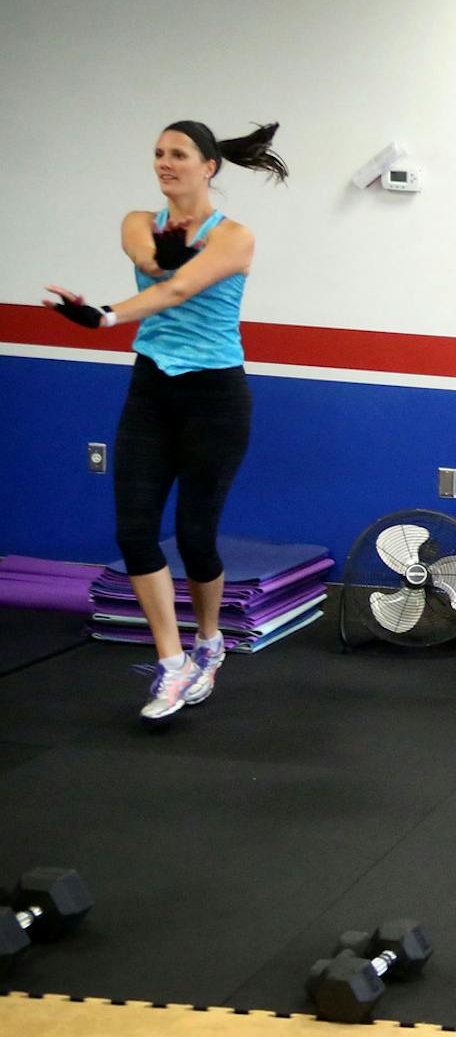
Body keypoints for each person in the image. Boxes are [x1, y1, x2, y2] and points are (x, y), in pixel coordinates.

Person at [42, 120, 289, 723]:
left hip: (216, 397)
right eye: (157, 154)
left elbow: (178, 289)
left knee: (196, 535)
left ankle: (210, 641)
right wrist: (165, 254)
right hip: (152, 387)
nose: (164, 163)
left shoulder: (235, 237)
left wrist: (104, 317)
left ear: (209, 166)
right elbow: (152, 261)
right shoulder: (136, 220)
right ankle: (174, 662)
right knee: (134, 532)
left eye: (178, 154)